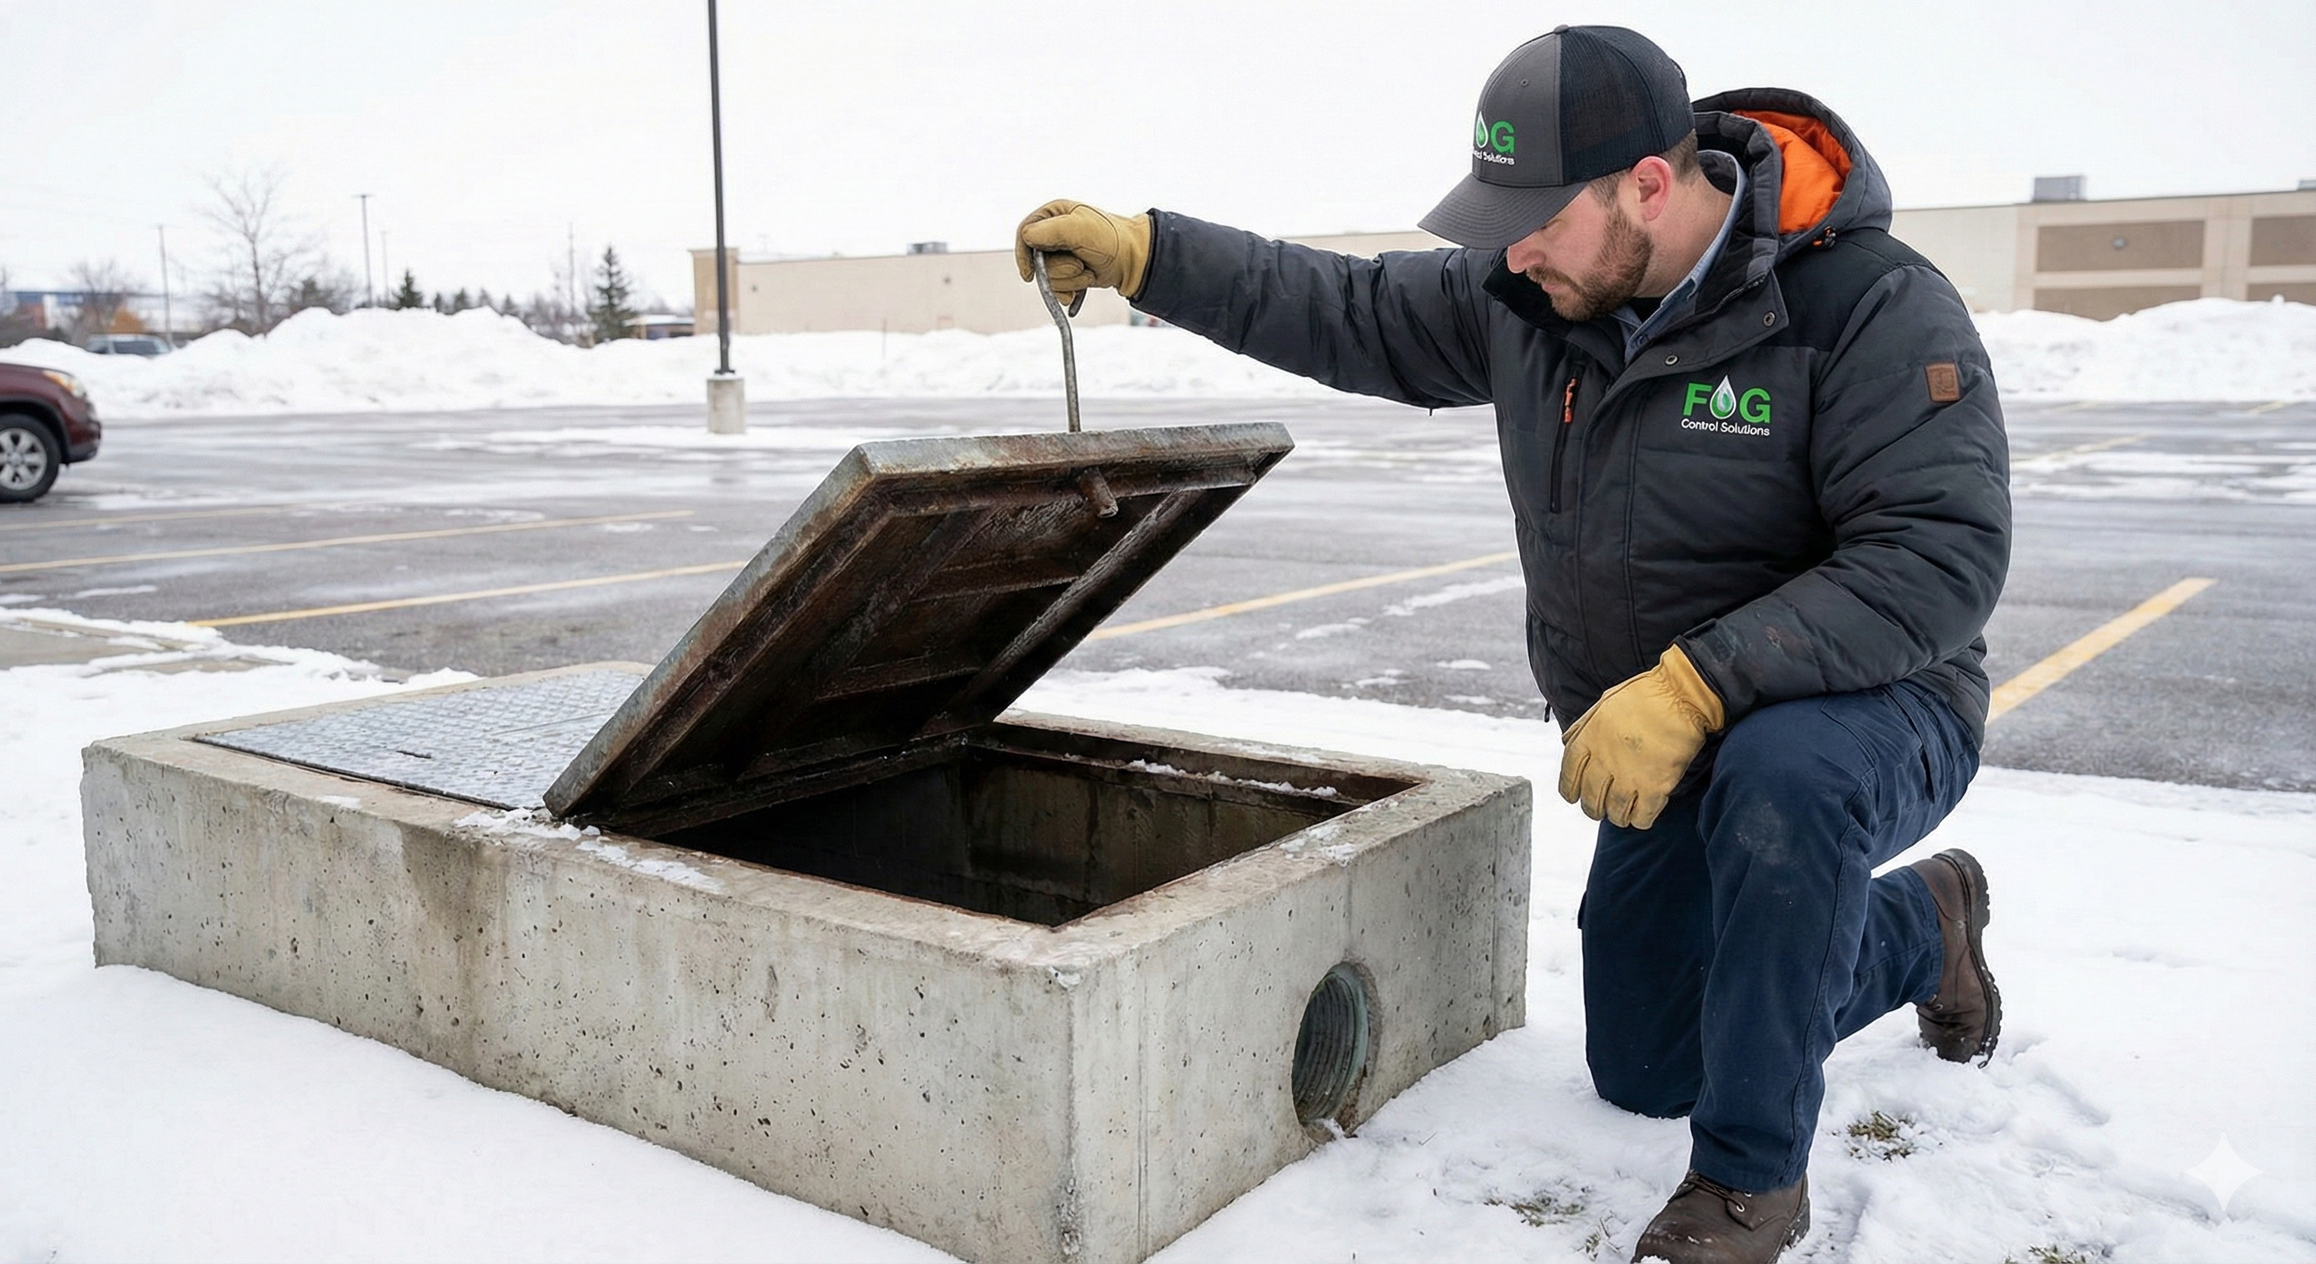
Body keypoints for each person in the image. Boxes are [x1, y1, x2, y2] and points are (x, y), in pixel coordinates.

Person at [1014, 23, 2010, 1264]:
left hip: (1873, 703)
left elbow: (1938, 557)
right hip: (1664, 738)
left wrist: (1704, 683)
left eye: (1538, 216)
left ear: (1652, 180)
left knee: (1783, 782)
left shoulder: (1866, 305)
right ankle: (1928, 924)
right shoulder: (1535, 299)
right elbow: (1342, 306)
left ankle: (1750, 1184)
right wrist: (1151, 257)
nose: (1511, 248)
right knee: (1649, 1061)